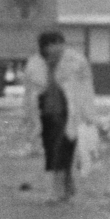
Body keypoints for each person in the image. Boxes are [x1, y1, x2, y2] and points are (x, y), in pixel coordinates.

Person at [21, 30, 96, 203]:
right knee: (52, 152)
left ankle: (58, 190)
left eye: (58, 43)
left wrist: (88, 114)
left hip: (68, 114)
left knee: (62, 151)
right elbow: (29, 93)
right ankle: (63, 187)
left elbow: (86, 89)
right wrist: (28, 116)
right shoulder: (35, 64)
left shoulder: (75, 62)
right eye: (51, 44)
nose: (56, 48)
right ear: (45, 47)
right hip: (45, 114)